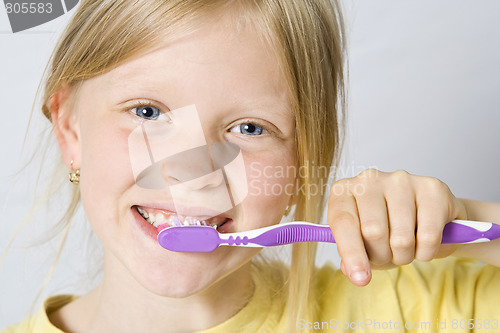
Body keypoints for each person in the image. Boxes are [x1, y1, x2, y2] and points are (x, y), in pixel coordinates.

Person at [3, 0, 500, 332]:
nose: (192, 172)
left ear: (304, 160)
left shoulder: (409, 315)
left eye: (249, 129)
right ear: (70, 129)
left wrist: (467, 223)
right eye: (147, 112)